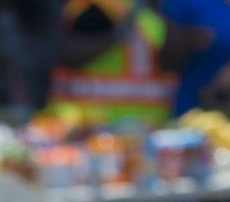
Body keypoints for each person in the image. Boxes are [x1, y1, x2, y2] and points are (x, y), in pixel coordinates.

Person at [50, 0, 179, 127]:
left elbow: (169, 62)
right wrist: (116, 35)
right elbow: (68, 54)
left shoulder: (147, 11)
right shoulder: (100, 7)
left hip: (143, 128)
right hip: (88, 123)